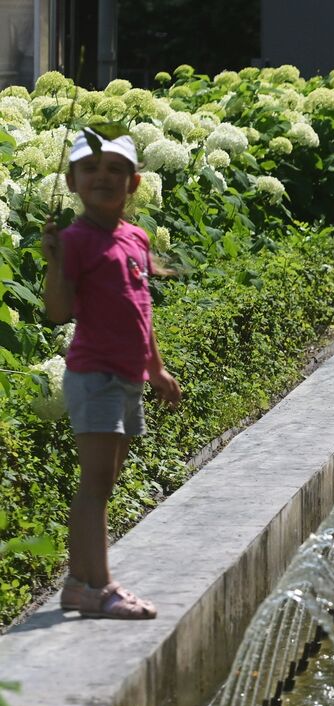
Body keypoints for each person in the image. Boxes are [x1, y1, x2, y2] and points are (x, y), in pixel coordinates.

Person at [40, 129, 181, 620]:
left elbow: (140, 312)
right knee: (95, 485)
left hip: (127, 378)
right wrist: (54, 262)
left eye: (115, 169)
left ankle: (79, 584)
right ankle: (101, 588)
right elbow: (57, 312)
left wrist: (156, 368)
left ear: (133, 183)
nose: (103, 176)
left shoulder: (135, 237)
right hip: (94, 375)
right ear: (72, 181)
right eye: (91, 168)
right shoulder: (75, 240)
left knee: (106, 480)